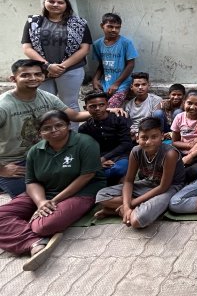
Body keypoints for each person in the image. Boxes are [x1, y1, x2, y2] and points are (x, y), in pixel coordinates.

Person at [0, 110, 105, 271]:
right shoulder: (35, 151)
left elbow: (87, 176)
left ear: (68, 126)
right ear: (40, 133)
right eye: (47, 128)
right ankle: (34, 243)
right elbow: (32, 182)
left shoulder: (85, 143)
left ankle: (23, 231)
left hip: (82, 192)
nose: (54, 130)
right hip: (46, 191)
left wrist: (54, 201)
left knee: (43, 226)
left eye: (59, 125)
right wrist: (41, 202)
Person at [0, 59, 117, 198]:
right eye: (25, 75)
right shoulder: (3, 105)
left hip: (45, 154)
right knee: (29, 199)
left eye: (37, 74)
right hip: (16, 162)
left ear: (43, 76)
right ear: (13, 79)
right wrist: (2, 169)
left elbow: (75, 115)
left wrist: (107, 111)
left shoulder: (46, 97)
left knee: (92, 178)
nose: (33, 78)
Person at [94, 117, 185, 227]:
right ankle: (128, 210)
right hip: (148, 184)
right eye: (144, 137)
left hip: (169, 188)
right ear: (137, 138)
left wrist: (131, 203)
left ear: (162, 136)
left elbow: (163, 187)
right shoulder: (136, 151)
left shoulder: (169, 154)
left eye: (154, 137)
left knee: (137, 221)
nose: (148, 142)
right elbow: (128, 181)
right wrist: (127, 206)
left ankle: (115, 210)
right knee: (101, 196)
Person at [21, 0, 92, 114]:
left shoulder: (79, 23)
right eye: (51, 1)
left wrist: (61, 67)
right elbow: (27, 48)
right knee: (44, 104)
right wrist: (48, 66)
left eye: (60, 2)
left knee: (69, 104)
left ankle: (71, 127)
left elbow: (85, 48)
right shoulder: (33, 22)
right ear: (44, 3)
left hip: (70, 69)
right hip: (42, 70)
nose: (55, 4)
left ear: (66, 5)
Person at [78, 92, 133, 185]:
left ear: (107, 105)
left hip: (120, 156)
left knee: (118, 170)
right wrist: (98, 161)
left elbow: (126, 144)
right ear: (85, 108)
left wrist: (104, 158)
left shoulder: (120, 119)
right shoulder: (84, 128)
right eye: (93, 106)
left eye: (101, 105)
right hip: (98, 159)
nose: (97, 109)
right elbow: (86, 150)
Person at [91, 13, 138, 108]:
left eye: (117, 27)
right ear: (102, 26)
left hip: (122, 85)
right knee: (96, 107)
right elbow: (102, 64)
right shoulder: (97, 44)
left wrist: (116, 84)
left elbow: (130, 65)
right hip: (105, 84)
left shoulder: (126, 43)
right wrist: (95, 79)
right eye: (110, 26)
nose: (114, 30)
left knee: (110, 108)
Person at [170, 90, 197, 181]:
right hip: (182, 152)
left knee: (195, 170)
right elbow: (174, 142)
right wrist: (191, 145)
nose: (192, 107)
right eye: (189, 103)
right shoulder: (179, 117)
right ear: (184, 103)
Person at [123, 72, 163, 137]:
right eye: (137, 85)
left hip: (151, 130)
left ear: (148, 85)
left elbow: (154, 121)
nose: (140, 87)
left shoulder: (156, 100)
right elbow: (128, 124)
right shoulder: (128, 105)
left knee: (158, 113)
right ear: (131, 87)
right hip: (134, 133)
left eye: (144, 84)